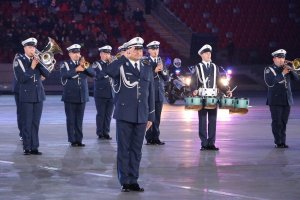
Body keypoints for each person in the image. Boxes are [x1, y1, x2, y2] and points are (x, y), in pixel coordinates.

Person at [105, 37, 155, 192]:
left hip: (141, 115)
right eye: (136, 49)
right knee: (124, 149)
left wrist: (151, 116)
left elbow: (150, 93)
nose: (139, 52)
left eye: (141, 49)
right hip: (125, 114)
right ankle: (125, 181)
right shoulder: (120, 65)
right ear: (128, 50)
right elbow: (109, 71)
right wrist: (123, 57)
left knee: (136, 150)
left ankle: (133, 180)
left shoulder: (146, 67)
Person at [13, 37, 50, 155]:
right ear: (25, 48)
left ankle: (34, 147)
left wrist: (40, 63)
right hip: (26, 95)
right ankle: (27, 147)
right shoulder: (20, 60)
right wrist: (33, 65)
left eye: (34, 47)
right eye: (30, 47)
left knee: (35, 123)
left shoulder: (37, 60)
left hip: (39, 95)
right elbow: (22, 78)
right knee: (27, 122)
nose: (32, 49)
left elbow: (47, 73)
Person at [191, 44, 231, 151]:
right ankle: (204, 143)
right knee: (203, 120)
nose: (209, 55)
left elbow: (219, 82)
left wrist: (226, 90)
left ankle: (211, 143)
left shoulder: (215, 67)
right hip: (202, 97)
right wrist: (193, 90)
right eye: (206, 53)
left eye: (210, 53)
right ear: (202, 55)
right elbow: (193, 81)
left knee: (213, 120)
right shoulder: (197, 67)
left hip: (213, 97)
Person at [60, 44, 95, 147]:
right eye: (74, 53)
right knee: (71, 119)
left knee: (79, 120)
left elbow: (93, 74)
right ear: (70, 54)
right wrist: (76, 69)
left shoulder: (84, 63)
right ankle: (72, 140)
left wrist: (84, 66)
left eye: (78, 52)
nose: (77, 55)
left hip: (82, 96)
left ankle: (79, 140)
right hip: (70, 96)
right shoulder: (65, 64)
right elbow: (64, 76)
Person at [264, 49, 299, 148]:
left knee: (284, 122)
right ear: (274, 59)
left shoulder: (287, 68)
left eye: (283, 58)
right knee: (277, 122)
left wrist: (292, 69)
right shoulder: (269, 69)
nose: (281, 60)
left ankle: (282, 141)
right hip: (275, 100)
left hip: (287, 99)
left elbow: (297, 79)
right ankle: (278, 142)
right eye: (279, 58)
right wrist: (283, 73)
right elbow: (270, 83)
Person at [145, 41, 168, 145]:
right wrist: (154, 71)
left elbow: (166, 78)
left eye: (157, 49)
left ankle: (156, 137)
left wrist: (162, 70)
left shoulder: (161, 61)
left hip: (159, 93)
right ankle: (149, 138)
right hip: (149, 93)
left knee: (157, 117)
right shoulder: (145, 62)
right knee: (149, 116)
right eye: (153, 49)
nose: (155, 51)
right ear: (149, 50)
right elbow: (144, 77)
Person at [92, 45, 113, 140]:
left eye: (108, 53)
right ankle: (100, 132)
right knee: (101, 114)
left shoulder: (112, 64)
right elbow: (98, 75)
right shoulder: (96, 64)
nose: (107, 55)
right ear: (101, 54)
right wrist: (110, 68)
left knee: (108, 115)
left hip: (111, 93)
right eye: (105, 53)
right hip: (100, 93)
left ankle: (106, 132)